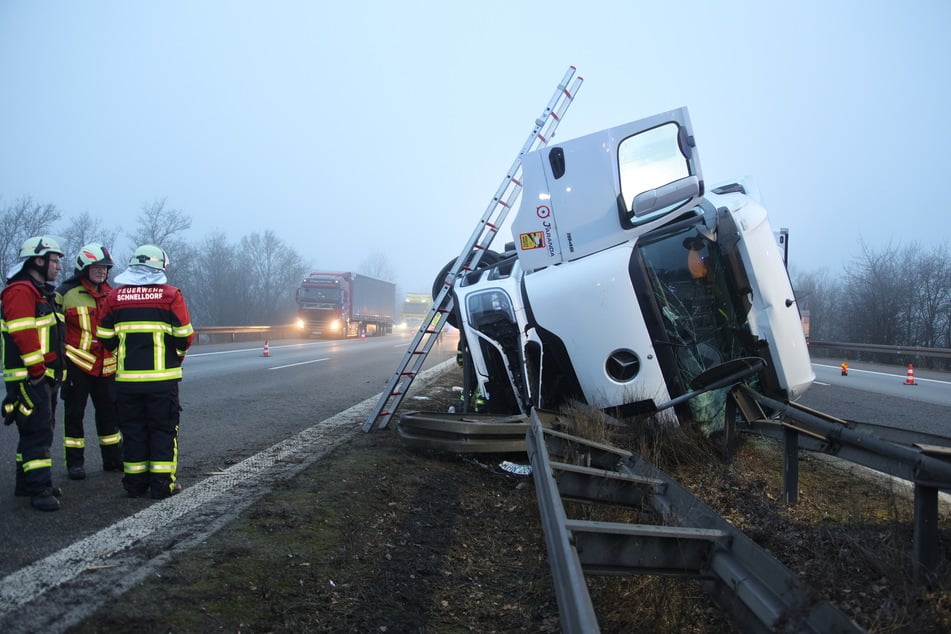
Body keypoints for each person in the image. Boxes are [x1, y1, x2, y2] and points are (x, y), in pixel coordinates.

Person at [96, 244, 194, 499]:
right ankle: (162, 486)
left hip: (127, 382)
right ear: (160, 266)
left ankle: (135, 485)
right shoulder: (171, 295)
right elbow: (184, 336)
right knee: (162, 431)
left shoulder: (114, 297)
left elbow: (104, 335)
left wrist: (121, 353)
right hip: (162, 381)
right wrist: (176, 356)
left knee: (133, 431)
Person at [1, 236, 66, 511]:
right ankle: (39, 490)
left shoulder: (39, 292)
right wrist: (38, 371)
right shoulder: (20, 291)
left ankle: (25, 484)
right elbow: (23, 333)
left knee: (35, 431)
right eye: (55, 261)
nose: (58, 267)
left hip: (42, 376)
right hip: (31, 377)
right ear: (38, 260)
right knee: (38, 433)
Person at [56, 243, 122, 480]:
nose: (102, 271)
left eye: (105, 268)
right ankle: (75, 464)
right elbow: (54, 328)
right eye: (97, 267)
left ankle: (113, 459)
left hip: (106, 365)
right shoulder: (65, 293)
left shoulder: (111, 293)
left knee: (109, 415)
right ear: (84, 267)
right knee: (74, 414)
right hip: (77, 364)